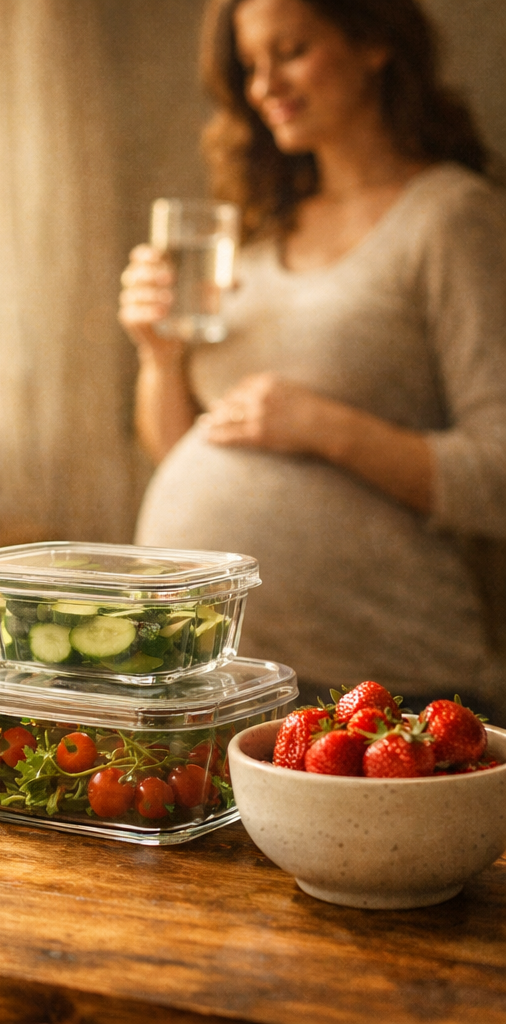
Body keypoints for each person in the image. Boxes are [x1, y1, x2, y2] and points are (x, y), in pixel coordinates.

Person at [118, 0, 506, 718]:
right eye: (250, 66)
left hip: (377, 692)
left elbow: (498, 476)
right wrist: (160, 357)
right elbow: (183, 451)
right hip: (212, 682)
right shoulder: (257, 234)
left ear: (372, 43)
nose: (265, 84)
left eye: (290, 50)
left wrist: (324, 425)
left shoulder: (451, 217)